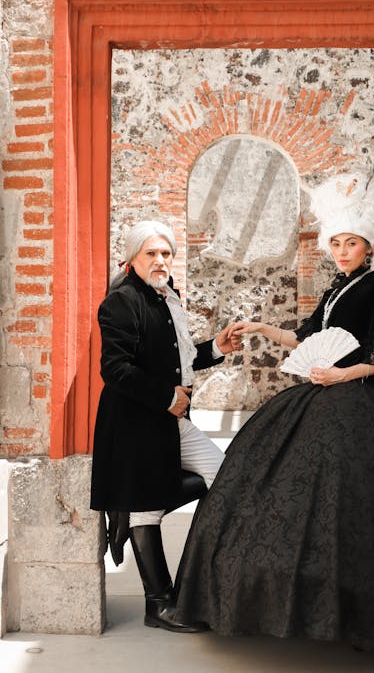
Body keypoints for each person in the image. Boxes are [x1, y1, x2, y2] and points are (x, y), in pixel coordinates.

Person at [172, 183, 374, 668]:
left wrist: (339, 373)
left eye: (350, 243)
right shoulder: (336, 289)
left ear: (368, 246)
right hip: (313, 396)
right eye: (335, 243)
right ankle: (269, 603)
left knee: (340, 499)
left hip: (354, 403)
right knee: (261, 480)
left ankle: (342, 614)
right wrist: (261, 329)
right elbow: (304, 337)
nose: (341, 251)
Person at [90, 220, 241, 633]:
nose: (160, 261)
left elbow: (179, 359)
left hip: (171, 421)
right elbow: (115, 370)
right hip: (137, 423)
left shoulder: (167, 298)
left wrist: (216, 348)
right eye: (151, 253)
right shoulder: (122, 301)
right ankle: (159, 604)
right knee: (148, 509)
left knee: (224, 476)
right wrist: (167, 397)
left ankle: (132, 511)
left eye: (166, 253)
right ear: (132, 258)